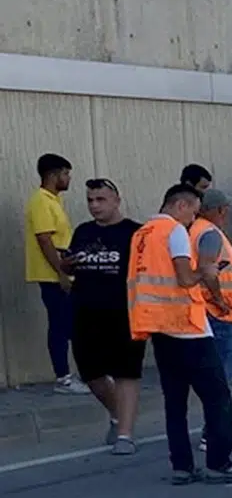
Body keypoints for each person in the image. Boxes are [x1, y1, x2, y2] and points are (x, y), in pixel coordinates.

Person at [127, 184, 232, 485]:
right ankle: (219, 463)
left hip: (158, 328)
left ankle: (182, 467)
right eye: (193, 211)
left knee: (175, 403)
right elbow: (186, 277)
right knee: (218, 398)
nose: (193, 219)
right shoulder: (174, 232)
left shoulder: (142, 235)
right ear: (182, 205)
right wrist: (208, 270)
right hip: (188, 328)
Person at [64, 178, 143, 453]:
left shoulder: (135, 233)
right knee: (91, 373)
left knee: (126, 372)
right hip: (85, 311)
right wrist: (65, 265)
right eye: (90, 200)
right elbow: (71, 265)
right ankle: (119, 415)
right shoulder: (83, 231)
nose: (94, 205)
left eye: (101, 199)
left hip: (125, 313)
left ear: (116, 201)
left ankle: (125, 435)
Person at [190, 189, 232, 453]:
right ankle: (216, 433)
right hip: (219, 314)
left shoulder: (198, 230)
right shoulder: (209, 233)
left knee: (218, 376)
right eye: (225, 208)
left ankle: (216, 431)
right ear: (218, 210)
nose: (227, 213)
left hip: (216, 312)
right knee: (221, 377)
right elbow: (207, 270)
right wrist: (219, 299)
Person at [25, 153, 89, 394]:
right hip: (52, 275)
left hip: (63, 272)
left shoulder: (53, 200)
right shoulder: (41, 201)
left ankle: (83, 374)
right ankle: (63, 378)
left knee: (71, 323)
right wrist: (61, 272)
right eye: (65, 174)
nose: (68, 178)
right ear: (53, 175)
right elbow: (44, 239)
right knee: (60, 325)